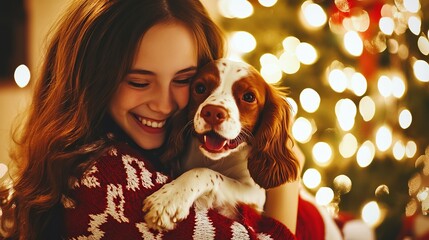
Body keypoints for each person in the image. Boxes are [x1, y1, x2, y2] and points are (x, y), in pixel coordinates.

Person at [0, 0, 315, 239]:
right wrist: (288, 181)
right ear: (89, 82)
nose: (166, 105)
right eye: (138, 82)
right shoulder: (106, 181)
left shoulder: (163, 147)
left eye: (185, 81)